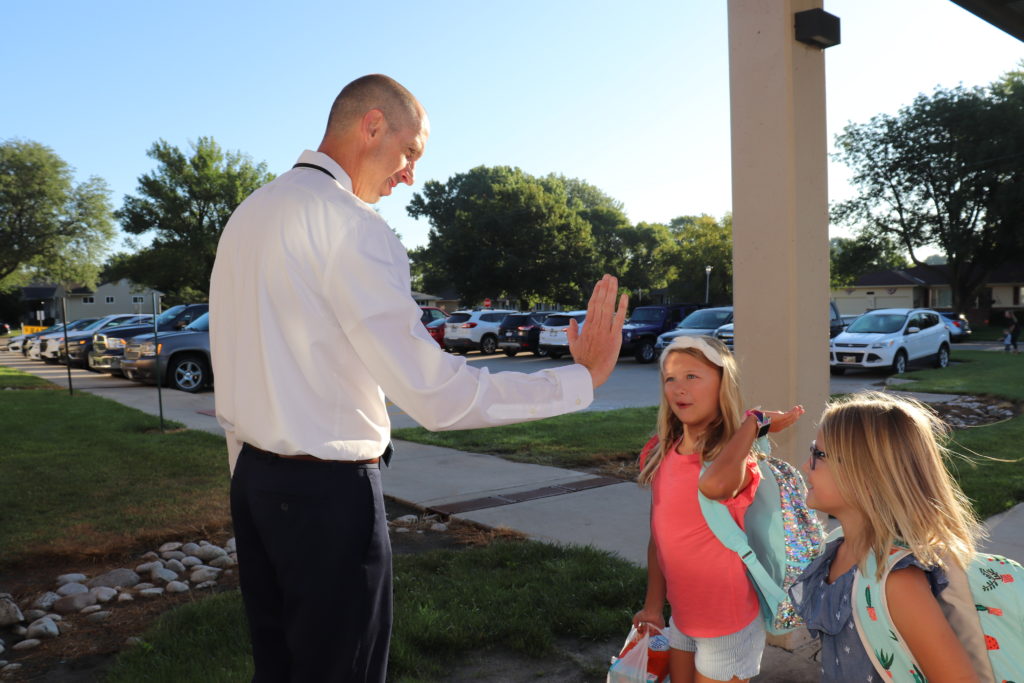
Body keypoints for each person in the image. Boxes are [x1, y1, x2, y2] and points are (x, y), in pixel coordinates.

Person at [208, 74, 628, 682]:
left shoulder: (249, 214)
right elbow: (441, 397)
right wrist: (579, 379)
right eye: (410, 153)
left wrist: (251, 471)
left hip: (253, 485)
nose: (410, 175)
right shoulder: (352, 226)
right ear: (371, 125)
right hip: (327, 498)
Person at [631, 336, 803, 683]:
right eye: (670, 378)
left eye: (692, 377)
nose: (679, 388)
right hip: (683, 615)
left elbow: (714, 486)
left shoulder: (733, 458)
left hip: (727, 622)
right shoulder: (666, 452)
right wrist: (653, 606)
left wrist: (752, 422)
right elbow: (660, 538)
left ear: (723, 383)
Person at [789, 391, 984, 681]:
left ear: (866, 475)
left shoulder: (896, 582)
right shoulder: (837, 548)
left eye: (818, 455)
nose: (806, 466)